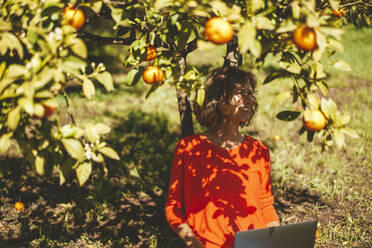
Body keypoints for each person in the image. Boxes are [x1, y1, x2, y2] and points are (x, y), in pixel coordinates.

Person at [165, 67, 280, 248]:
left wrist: (275, 236)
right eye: (241, 93)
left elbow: (265, 205)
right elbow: (173, 207)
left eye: (251, 93)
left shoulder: (258, 150)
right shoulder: (189, 148)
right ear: (219, 100)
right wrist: (192, 243)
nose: (250, 100)